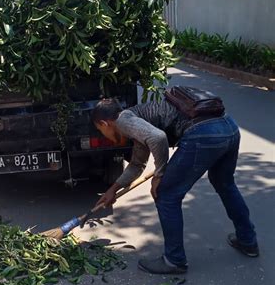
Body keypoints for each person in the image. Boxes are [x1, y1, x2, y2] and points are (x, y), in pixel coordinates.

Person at [91, 95, 258, 274]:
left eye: (101, 131)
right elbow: (136, 165)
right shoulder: (136, 123)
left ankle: (174, 260)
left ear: (105, 123)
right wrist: (112, 190)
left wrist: (159, 174)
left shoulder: (123, 121)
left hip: (203, 133)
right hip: (228, 127)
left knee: (165, 195)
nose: (106, 137)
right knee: (224, 183)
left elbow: (158, 138)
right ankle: (248, 241)